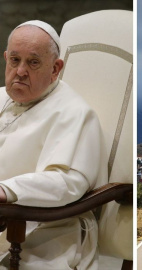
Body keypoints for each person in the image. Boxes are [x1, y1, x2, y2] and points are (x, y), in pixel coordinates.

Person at [0, 20, 103, 269]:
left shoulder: (74, 112)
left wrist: (6, 191)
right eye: (15, 60)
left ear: (56, 68)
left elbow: (68, 182)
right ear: (6, 59)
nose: (21, 71)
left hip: (42, 233)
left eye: (33, 62)